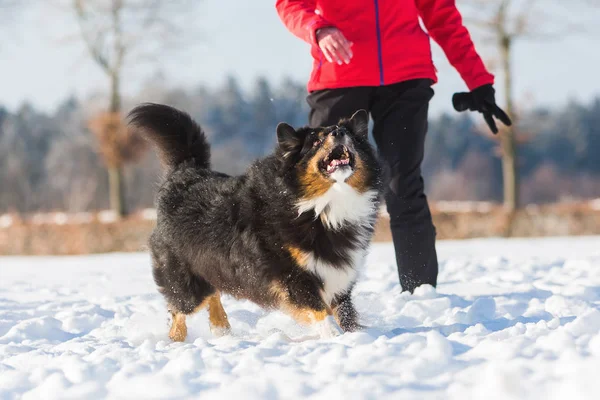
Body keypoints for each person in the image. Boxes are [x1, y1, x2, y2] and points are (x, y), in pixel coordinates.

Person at [275, 0, 512, 293]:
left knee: (404, 186)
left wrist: (477, 79)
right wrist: (318, 29)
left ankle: (420, 293)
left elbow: (441, 13)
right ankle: (312, 295)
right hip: (339, 76)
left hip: (406, 78)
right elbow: (291, 4)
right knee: (322, 188)